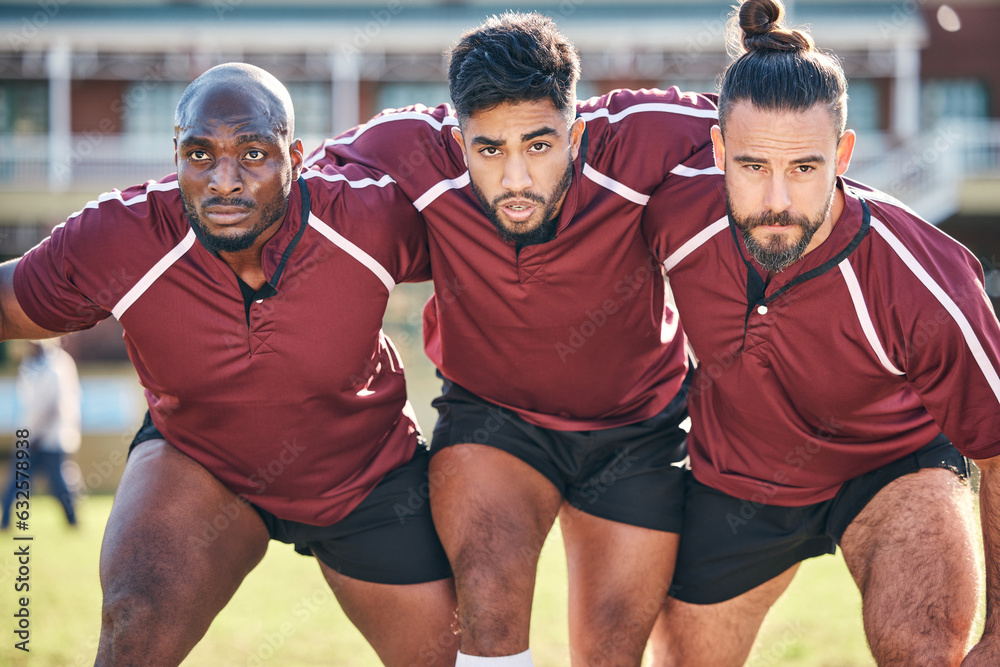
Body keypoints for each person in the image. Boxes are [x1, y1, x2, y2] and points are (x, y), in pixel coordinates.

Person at [0, 63, 459, 666]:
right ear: (176, 154)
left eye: (252, 153)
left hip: (363, 474)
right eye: (200, 154)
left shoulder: (368, 218)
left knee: (451, 656)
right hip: (200, 462)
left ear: (294, 155)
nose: (223, 180)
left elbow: (491, 249)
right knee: (136, 625)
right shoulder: (120, 237)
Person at [308, 12, 719, 666]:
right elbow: (289, 194)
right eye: (489, 150)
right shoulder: (410, 145)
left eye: (539, 145)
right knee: (490, 603)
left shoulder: (644, 135)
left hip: (636, 427)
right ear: (458, 135)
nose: (517, 179)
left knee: (611, 645)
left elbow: (764, 124)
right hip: (495, 419)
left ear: (575, 132)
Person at [640, 1, 1000, 664]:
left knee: (923, 651)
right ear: (719, 150)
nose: (777, 199)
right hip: (741, 477)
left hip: (893, 466)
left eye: (805, 168)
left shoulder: (925, 277)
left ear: (843, 152)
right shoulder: (673, 211)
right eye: (751, 167)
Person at [1, 338, 81, 528]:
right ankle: (4, 522)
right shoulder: (29, 364)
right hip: (30, 435)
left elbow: (56, 405)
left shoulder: (58, 365)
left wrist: (38, 434)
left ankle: (72, 521)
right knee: (16, 481)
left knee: (58, 483)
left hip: (51, 436)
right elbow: (27, 403)